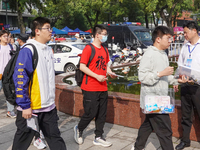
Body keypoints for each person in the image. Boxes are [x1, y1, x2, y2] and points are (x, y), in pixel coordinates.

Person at [12, 17, 66, 150]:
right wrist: (24, 105)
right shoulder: (28, 50)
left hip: (48, 107)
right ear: (37, 31)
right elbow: (20, 79)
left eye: (50, 28)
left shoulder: (48, 49)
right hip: (31, 109)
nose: (50, 31)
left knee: (55, 139)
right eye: (47, 28)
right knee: (21, 142)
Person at [133, 26, 188, 150]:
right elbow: (142, 77)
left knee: (147, 125)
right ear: (158, 39)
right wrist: (160, 73)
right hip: (153, 99)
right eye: (168, 38)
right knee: (165, 130)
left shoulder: (163, 53)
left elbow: (165, 77)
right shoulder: (149, 54)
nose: (171, 41)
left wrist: (177, 80)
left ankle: (137, 147)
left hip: (160, 97)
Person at [74, 24, 116, 147]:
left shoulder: (104, 49)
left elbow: (106, 65)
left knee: (102, 114)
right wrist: (96, 76)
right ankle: (79, 129)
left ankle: (98, 136)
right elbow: (82, 66)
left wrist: (110, 72)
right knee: (90, 112)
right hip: (90, 87)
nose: (105, 36)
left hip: (103, 86)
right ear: (97, 35)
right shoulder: (88, 48)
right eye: (104, 34)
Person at [175, 21, 200, 150]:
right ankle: (185, 140)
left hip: (198, 87)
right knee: (185, 115)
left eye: (185, 32)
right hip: (185, 85)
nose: (184, 34)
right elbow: (180, 65)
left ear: (194, 30)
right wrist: (177, 79)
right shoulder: (185, 46)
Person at [0, 30, 16, 118]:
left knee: (9, 92)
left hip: (8, 74)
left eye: (7, 36)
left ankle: (10, 111)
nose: (6, 38)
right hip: (0, 73)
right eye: (4, 36)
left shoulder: (10, 46)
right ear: (0, 37)